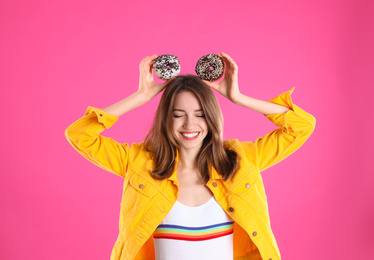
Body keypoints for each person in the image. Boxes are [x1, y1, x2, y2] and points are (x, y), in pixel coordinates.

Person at [65, 52, 316, 260]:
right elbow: (80, 135)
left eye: (199, 114)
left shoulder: (242, 159)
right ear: (166, 118)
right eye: (178, 114)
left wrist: (238, 98)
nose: (189, 124)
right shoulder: (139, 162)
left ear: (212, 116)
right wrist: (141, 97)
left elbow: (301, 126)